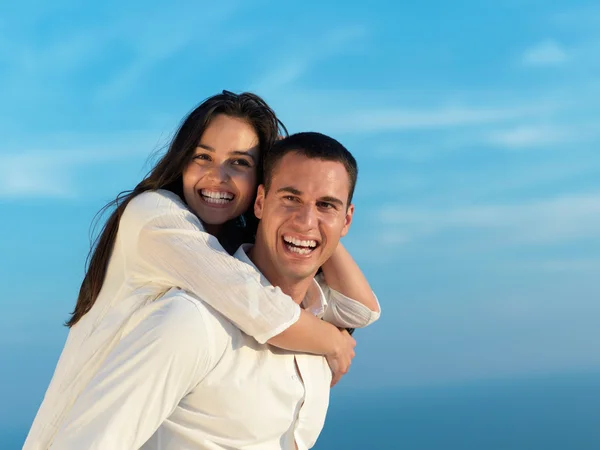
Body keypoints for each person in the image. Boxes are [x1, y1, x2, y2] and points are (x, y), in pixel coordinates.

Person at [24, 92, 380, 449]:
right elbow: (252, 302)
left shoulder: (259, 284)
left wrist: (310, 208)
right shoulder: (156, 222)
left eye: (239, 163)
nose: (217, 176)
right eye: (203, 157)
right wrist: (334, 342)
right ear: (262, 199)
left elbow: (359, 310)